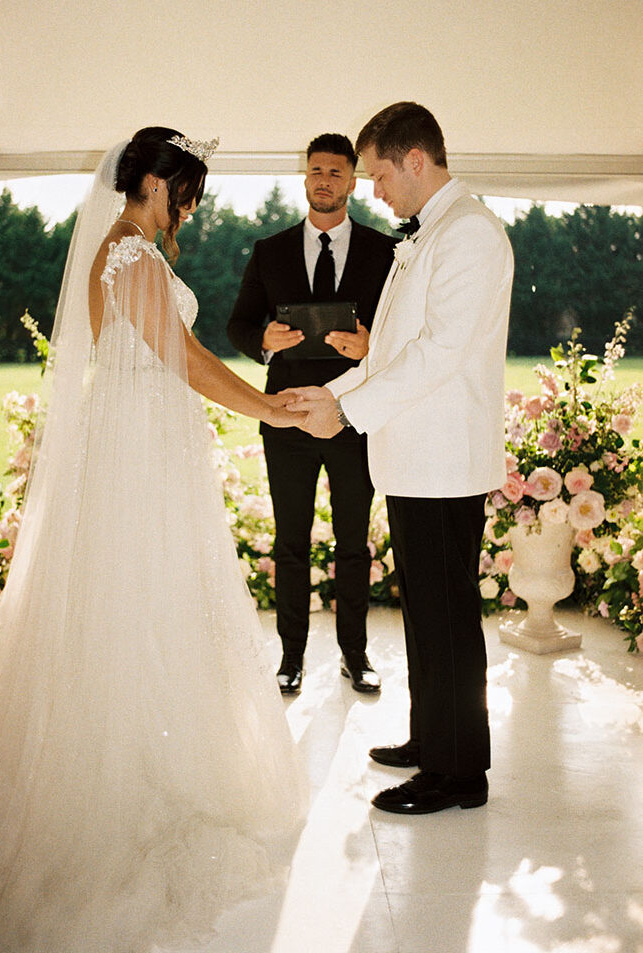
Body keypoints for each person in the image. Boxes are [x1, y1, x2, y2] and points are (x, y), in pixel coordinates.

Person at [0, 127, 307, 953]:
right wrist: (268, 407)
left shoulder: (122, 252)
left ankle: (154, 742)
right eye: (188, 196)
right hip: (139, 451)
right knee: (143, 598)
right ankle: (130, 775)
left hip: (143, 438)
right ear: (159, 184)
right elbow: (187, 358)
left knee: (150, 600)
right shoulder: (129, 257)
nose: (190, 215)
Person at [285, 103, 514, 814]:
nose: (374, 190)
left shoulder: (470, 233)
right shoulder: (431, 232)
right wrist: (328, 394)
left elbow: (439, 353)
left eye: (379, 174)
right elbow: (388, 353)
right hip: (415, 461)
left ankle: (458, 774)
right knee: (424, 611)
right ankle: (431, 734)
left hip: (445, 464)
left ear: (415, 160)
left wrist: (347, 410)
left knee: (447, 618)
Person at [227, 133, 395, 696]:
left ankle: (356, 654)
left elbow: (398, 332)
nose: (324, 180)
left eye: (336, 172)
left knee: (354, 543)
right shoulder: (268, 250)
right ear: (306, 177)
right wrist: (264, 340)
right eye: (315, 170)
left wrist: (372, 345)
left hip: (354, 418)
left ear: (353, 180)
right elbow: (239, 326)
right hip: (287, 418)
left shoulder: (384, 250)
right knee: (290, 543)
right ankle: (290, 658)